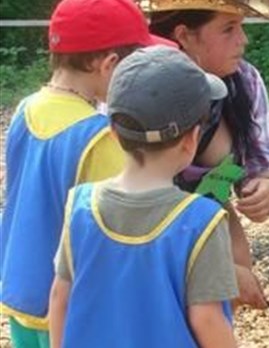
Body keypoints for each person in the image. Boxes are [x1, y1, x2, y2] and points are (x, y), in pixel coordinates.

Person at [0, 0, 172, 347]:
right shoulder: (99, 138)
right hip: (74, 311)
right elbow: (122, 235)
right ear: (110, 65)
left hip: (22, 294)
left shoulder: (27, 109)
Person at [48, 45, 238, 348]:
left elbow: (60, 297)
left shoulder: (80, 206)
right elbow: (207, 319)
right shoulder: (201, 221)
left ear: (113, 132)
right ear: (191, 140)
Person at [145, 0, 269, 309]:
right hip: (147, 237)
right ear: (185, 35)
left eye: (241, 28)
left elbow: (263, 159)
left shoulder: (245, 83)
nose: (243, 40)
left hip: (216, 227)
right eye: (228, 29)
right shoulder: (143, 90)